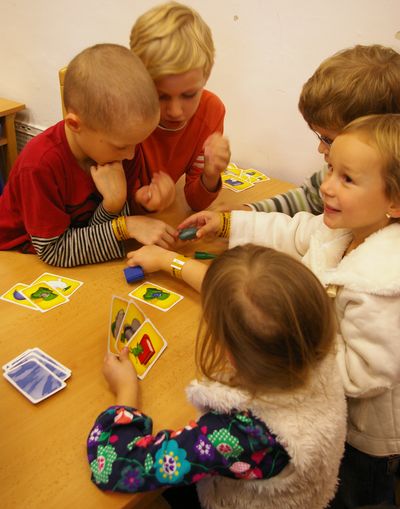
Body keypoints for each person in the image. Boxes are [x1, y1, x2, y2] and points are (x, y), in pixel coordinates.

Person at [160, 113, 400, 508]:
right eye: (330, 170)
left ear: (394, 201)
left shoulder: (382, 283)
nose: (326, 186)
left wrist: (289, 340)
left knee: (356, 497)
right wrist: (227, 224)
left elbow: (365, 372)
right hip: (322, 406)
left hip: (365, 439)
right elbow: (293, 231)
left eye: (347, 179)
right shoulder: (346, 227)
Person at [87, 244, 346, 509]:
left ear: (231, 352)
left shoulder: (239, 433)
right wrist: (168, 260)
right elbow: (238, 295)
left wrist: (126, 390)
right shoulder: (310, 341)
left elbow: (114, 468)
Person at [0, 43, 177, 267]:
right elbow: (55, 251)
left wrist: (120, 205)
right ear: (75, 125)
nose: (132, 155)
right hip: (15, 258)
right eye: (122, 146)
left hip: (73, 255)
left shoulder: (121, 147)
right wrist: (125, 225)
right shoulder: (38, 165)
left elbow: (91, 234)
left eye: (137, 144)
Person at [233, 44, 400, 215]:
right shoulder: (335, 172)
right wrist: (250, 211)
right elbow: (309, 199)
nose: (320, 148)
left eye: (329, 140)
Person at [129, 1, 231, 212]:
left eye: (189, 95)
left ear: (206, 77)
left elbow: (195, 202)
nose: (175, 111)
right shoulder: (125, 112)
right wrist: (141, 201)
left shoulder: (211, 111)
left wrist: (210, 176)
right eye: (161, 96)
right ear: (140, 81)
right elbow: (104, 204)